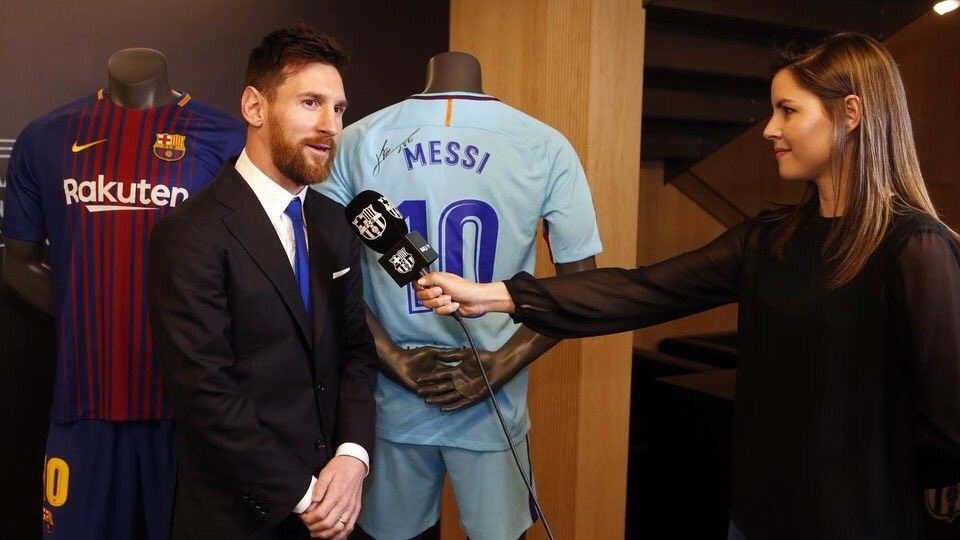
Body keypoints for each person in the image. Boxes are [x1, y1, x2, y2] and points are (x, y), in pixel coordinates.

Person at [416, 33, 960, 539]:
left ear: (851, 114)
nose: (769, 129)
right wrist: (493, 295)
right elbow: (642, 290)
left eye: (788, 110)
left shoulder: (915, 247)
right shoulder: (768, 238)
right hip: (756, 517)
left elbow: (947, 425)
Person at [315, 51, 600, 539]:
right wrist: (503, 361)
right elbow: (583, 287)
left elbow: (326, 278)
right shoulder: (545, 145)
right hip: (489, 400)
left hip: (397, 398)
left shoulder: (356, 140)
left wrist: (395, 359)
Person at [2, 47, 245, 538]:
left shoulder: (227, 139)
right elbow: (18, 260)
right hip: (83, 403)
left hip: (186, 407)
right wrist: (80, 306)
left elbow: (255, 265)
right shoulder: (47, 136)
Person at [147, 25, 377, 539]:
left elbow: (357, 354)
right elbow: (205, 393)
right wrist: (306, 496)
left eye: (339, 109)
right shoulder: (190, 234)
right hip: (238, 517)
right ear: (255, 107)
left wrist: (352, 457)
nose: (330, 126)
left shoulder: (335, 225)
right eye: (311, 103)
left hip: (336, 506)